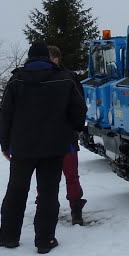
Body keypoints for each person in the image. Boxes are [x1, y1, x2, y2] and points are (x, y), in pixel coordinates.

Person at [0, 41, 87, 254]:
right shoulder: (64, 78)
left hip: (22, 147)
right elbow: (79, 110)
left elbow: (5, 115)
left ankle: (8, 236)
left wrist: (5, 144)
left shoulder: (17, 79)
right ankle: (45, 240)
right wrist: (71, 129)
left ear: (29, 58)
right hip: (54, 147)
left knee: (16, 191)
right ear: (47, 57)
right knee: (48, 193)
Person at [45, 45, 88, 225]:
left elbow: (79, 105)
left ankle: (76, 209)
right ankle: (47, 208)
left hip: (65, 135)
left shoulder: (69, 78)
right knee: (46, 175)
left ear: (57, 59)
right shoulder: (39, 78)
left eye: (51, 58)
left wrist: (75, 127)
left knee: (71, 174)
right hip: (46, 136)